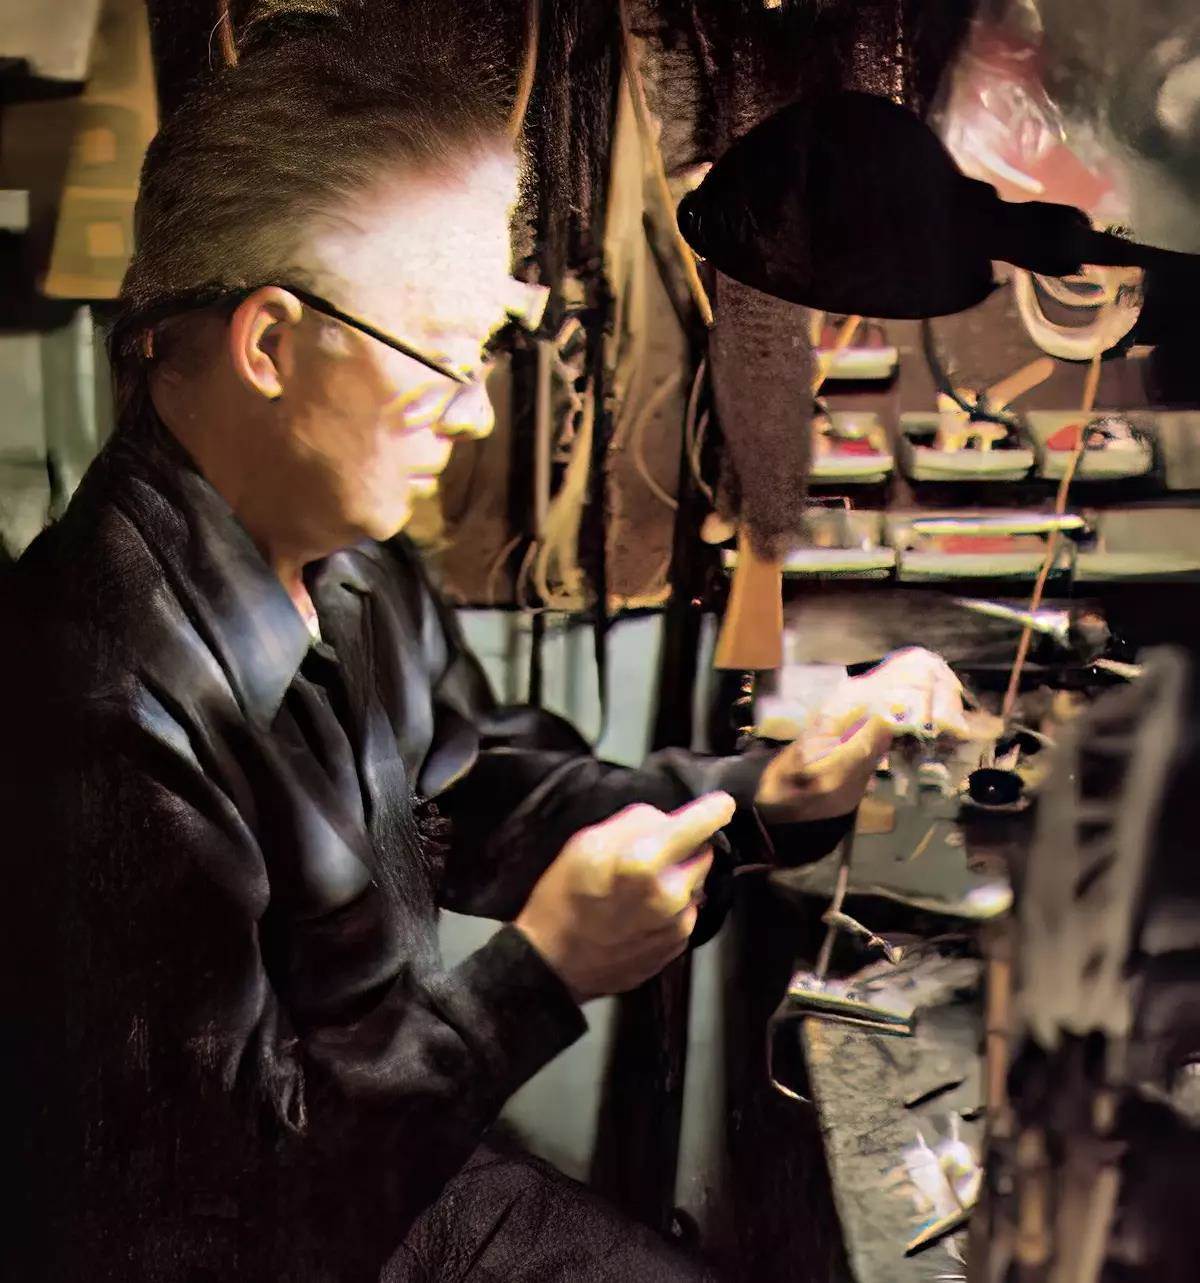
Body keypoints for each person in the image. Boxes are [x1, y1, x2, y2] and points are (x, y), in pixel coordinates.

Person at [1, 7, 969, 1281]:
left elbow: (481, 794)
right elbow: (226, 1214)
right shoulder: (87, 707)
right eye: (439, 359)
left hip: (391, 1167)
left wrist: (764, 797)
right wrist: (541, 972)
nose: (474, 414)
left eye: (487, 352)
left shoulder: (347, 566)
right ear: (273, 344)